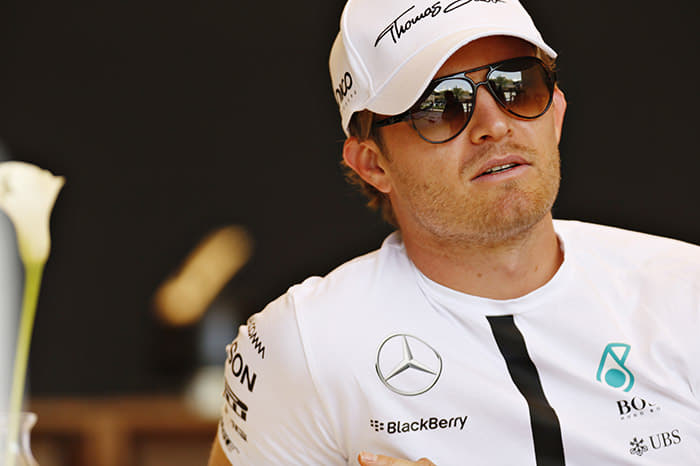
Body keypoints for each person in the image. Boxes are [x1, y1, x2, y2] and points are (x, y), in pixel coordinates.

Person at [209, 0, 700, 464]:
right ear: (373, 164)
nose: (494, 125)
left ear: (556, 112)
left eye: (518, 86)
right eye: (440, 105)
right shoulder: (306, 341)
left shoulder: (684, 291)